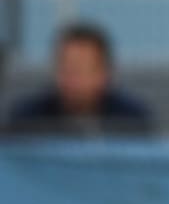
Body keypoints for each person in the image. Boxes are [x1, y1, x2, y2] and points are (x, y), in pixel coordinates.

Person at [5, 22, 153, 136]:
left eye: (81, 70)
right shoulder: (27, 119)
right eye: (64, 68)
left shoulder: (131, 119)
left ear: (105, 73)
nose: (71, 79)